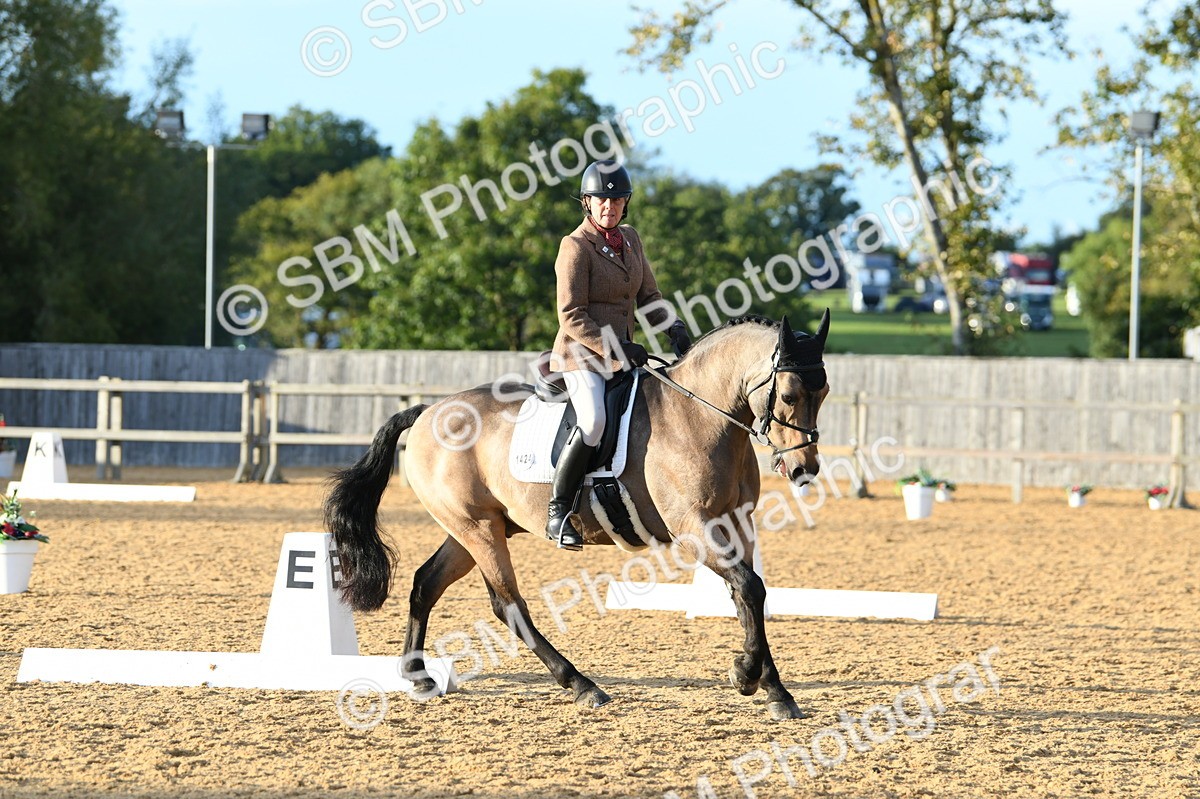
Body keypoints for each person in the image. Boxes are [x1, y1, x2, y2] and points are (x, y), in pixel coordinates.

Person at [546, 159, 691, 551]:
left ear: (625, 203)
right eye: (600, 201)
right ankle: (558, 511)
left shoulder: (630, 239)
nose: (608, 207)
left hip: (624, 357)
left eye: (616, 200)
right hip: (582, 356)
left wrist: (673, 327)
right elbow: (571, 315)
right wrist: (616, 346)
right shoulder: (574, 246)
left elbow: (650, 297)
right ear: (587, 204)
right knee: (593, 421)